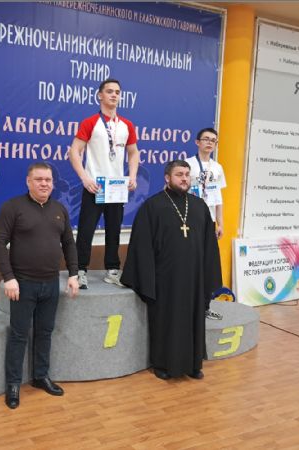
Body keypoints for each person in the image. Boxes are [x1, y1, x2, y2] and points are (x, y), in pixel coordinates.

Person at [121, 160, 222, 381]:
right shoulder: (153, 206)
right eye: (179, 174)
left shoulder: (199, 206)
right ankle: (163, 364)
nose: (184, 178)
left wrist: (209, 277)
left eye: (187, 174)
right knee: (166, 321)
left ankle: (193, 364)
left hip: (194, 278)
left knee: (194, 319)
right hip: (165, 278)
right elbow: (141, 245)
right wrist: (147, 280)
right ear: (167, 178)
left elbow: (209, 246)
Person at [0, 162, 79, 409]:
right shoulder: (13, 207)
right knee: (19, 335)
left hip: (51, 284)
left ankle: (41, 376)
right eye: (39, 179)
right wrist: (8, 277)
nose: (44, 184)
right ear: (28, 182)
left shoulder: (59, 209)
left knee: (45, 332)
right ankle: (13, 384)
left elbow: (69, 243)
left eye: (48, 180)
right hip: (22, 284)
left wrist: (73, 274)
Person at [69, 78, 139, 289]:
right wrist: (85, 178)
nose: (114, 95)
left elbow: (133, 152)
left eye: (117, 92)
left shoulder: (127, 125)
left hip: (116, 187)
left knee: (114, 230)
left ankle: (112, 270)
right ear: (100, 95)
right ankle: (80, 270)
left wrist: (132, 176)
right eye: (109, 91)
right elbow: (74, 151)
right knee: (86, 230)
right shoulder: (90, 122)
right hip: (95, 186)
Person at [187, 127, 226, 320]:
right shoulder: (188, 164)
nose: (210, 143)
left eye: (213, 140)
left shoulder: (217, 168)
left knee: (207, 264)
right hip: (189, 220)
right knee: (189, 262)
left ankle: (205, 306)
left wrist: (220, 223)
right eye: (206, 139)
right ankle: (186, 305)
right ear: (197, 142)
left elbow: (218, 197)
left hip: (208, 221)